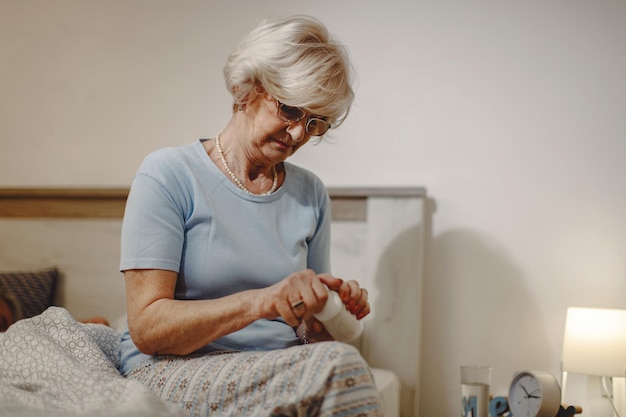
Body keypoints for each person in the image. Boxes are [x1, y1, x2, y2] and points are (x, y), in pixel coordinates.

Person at [119, 15, 383, 417]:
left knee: (338, 366)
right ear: (248, 88)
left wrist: (327, 315)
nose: (297, 135)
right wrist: (264, 302)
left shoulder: (310, 194)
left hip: (273, 366)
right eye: (291, 110)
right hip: (174, 365)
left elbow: (314, 342)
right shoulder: (168, 174)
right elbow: (148, 328)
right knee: (341, 370)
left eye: (314, 124)